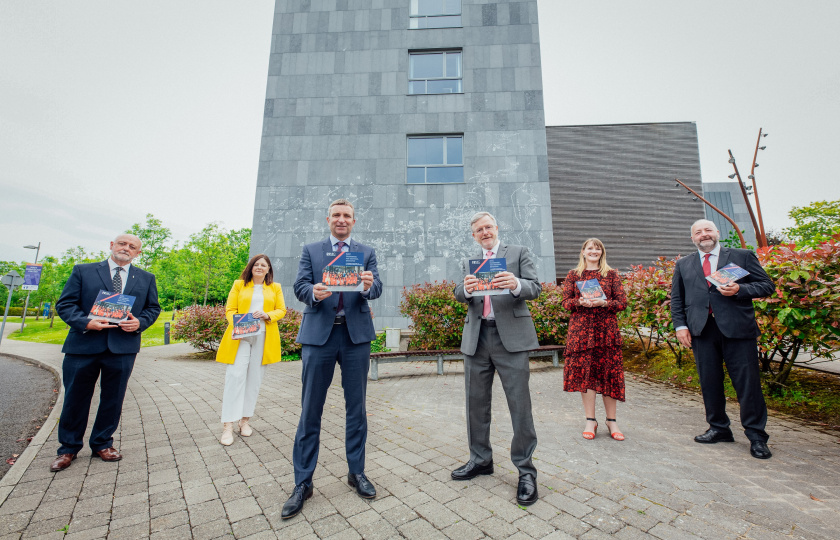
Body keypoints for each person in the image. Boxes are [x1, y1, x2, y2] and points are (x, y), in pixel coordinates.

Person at [282, 198, 383, 519]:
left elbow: (378, 287)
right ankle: (302, 482)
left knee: (357, 408)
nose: (342, 220)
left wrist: (368, 286)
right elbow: (300, 286)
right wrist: (314, 292)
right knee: (310, 408)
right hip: (318, 337)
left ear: (354, 221)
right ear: (328, 219)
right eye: (337, 215)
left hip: (355, 338)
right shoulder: (311, 250)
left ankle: (357, 472)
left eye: (347, 216)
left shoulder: (366, 252)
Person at [452, 211, 542, 506]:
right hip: (477, 339)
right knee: (475, 404)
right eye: (479, 229)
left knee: (520, 406)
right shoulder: (470, 262)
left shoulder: (518, 253)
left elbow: (535, 287)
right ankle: (480, 460)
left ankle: (526, 471)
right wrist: (465, 289)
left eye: (488, 227)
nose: (484, 232)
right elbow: (457, 293)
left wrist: (515, 283)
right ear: (474, 235)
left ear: (496, 228)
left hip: (511, 340)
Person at [51, 234, 161, 472]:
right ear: (112, 245)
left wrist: (140, 323)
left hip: (122, 348)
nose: (126, 249)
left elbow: (153, 308)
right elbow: (65, 304)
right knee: (75, 399)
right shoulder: (83, 271)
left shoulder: (146, 278)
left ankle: (102, 443)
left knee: (113, 399)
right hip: (83, 346)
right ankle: (68, 448)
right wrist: (85, 322)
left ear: (138, 253)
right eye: (122, 244)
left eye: (133, 247)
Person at [671, 219, 775, 459]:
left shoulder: (742, 255)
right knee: (710, 382)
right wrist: (680, 327)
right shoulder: (683, 264)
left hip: (737, 330)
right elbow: (678, 299)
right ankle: (719, 428)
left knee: (748, 384)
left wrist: (740, 290)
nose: (703, 235)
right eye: (697, 232)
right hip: (702, 331)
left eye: (707, 230)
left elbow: (766, 285)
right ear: (692, 239)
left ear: (717, 233)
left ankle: (757, 436)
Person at [215, 254, 287, 446]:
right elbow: (229, 310)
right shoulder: (239, 285)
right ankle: (227, 425)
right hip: (240, 336)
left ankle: (244, 420)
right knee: (235, 376)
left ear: (268, 269)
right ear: (251, 267)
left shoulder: (275, 287)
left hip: (264, 336)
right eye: (256, 264)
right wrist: (238, 324)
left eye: (264, 265)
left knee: (254, 380)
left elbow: (281, 310)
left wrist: (267, 314)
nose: (260, 267)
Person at [561, 238, 628, 441]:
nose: (594, 251)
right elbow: (565, 302)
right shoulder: (574, 275)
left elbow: (622, 302)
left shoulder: (611, 274)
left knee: (609, 374)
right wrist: (579, 301)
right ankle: (590, 419)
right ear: (583, 252)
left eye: (597, 249)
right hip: (581, 333)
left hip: (606, 332)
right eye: (590, 248)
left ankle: (611, 421)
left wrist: (604, 302)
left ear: (602, 253)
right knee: (587, 375)